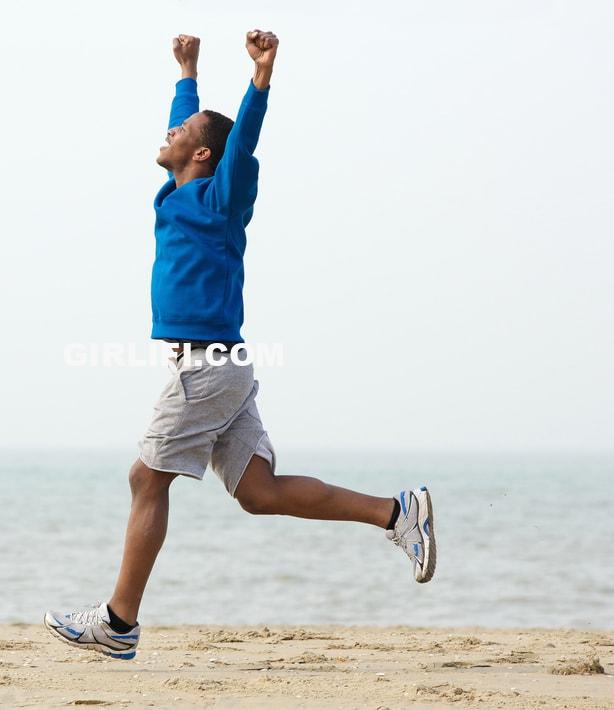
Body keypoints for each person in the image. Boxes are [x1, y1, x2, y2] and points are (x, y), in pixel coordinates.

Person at [44, 30, 436, 660]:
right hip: (224, 367)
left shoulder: (221, 198)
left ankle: (118, 623)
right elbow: (192, 128)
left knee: (146, 478)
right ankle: (397, 513)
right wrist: (187, 72)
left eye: (179, 132)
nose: (168, 133)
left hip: (207, 367)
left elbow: (239, 140)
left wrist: (260, 79)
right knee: (259, 493)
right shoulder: (178, 191)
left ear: (201, 154)